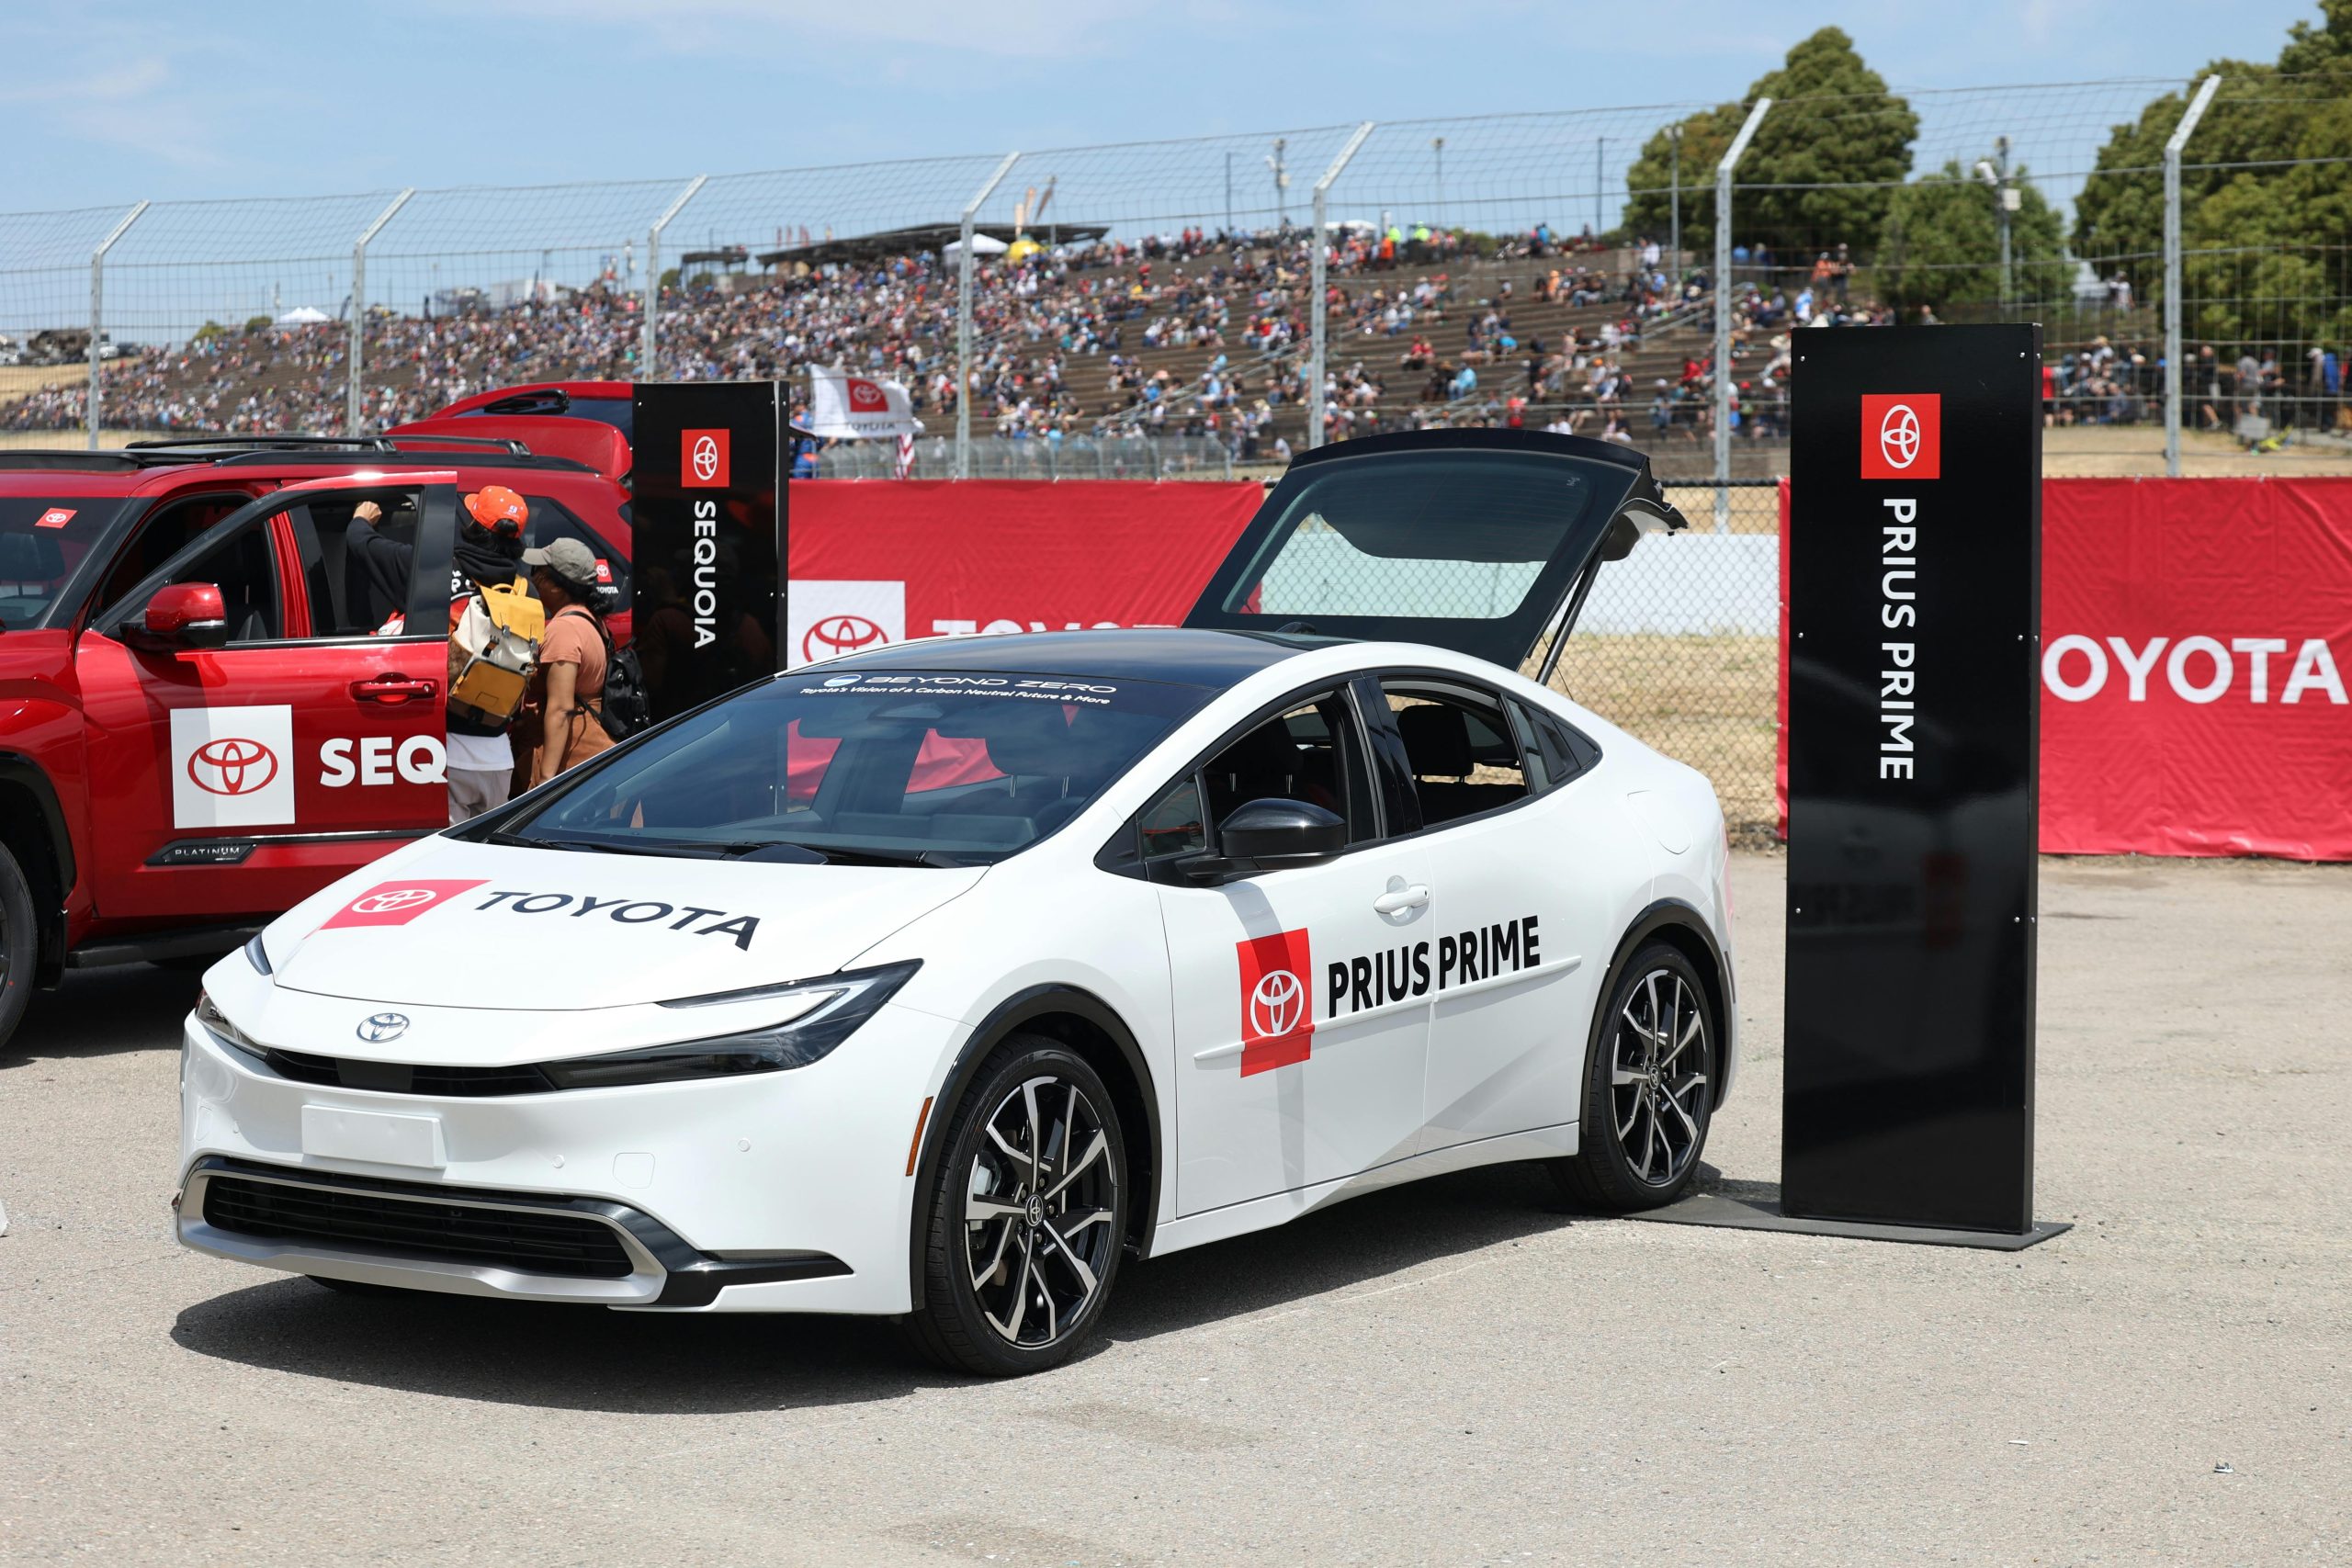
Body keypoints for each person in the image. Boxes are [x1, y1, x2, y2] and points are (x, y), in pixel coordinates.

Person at [348, 485, 534, 823]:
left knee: (447, 853)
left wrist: (362, 518)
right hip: (498, 756)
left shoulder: (431, 573)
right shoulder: (527, 591)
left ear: (473, 525)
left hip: (445, 751)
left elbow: (361, 543)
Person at [519, 536, 613, 789]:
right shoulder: (590, 618)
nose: (533, 579)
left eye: (538, 573)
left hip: (571, 762)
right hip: (591, 756)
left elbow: (561, 709)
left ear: (557, 587)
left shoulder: (564, 630)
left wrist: (547, 781)